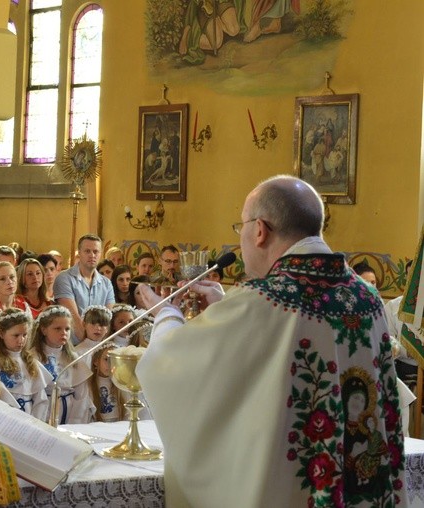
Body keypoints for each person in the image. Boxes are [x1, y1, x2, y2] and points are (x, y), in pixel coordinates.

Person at [135, 175, 407, 506]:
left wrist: (166, 314)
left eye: (241, 228)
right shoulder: (367, 297)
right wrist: (226, 307)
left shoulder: (264, 299)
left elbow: (168, 367)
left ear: (260, 230)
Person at [29, 305, 93, 425]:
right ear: (43, 330)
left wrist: (75, 421)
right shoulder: (32, 357)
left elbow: (82, 396)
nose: (63, 333)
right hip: (43, 410)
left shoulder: (74, 358)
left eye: (67, 329)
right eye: (57, 329)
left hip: (70, 412)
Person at [0, 308, 52, 420]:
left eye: (24, 335)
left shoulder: (30, 361)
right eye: (16, 335)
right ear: (1, 334)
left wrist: (35, 422)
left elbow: (40, 399)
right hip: (4, 418)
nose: (21, 340)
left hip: (29, 417)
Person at [53, 234, 115, 342]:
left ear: (101, 254)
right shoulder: (64, 278)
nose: (92, 255)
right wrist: (88, 347)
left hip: (98, 345)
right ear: (79, 253)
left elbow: (107, 320)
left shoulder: (107, 283)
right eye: (87, 251)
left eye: (96, 251)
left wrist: (98, 348)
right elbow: (74, 318)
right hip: (71, 346)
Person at [0, 261, 30, 325]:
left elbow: (30, 330)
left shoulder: (23, 303)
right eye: (2, 279)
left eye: (12, 277)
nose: (9, 282)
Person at [89, 345, 124, 422]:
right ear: (96, 362)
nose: (111, 364)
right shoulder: (89, 384)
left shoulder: (121, 384)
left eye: (114, 361)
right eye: (106, 359)